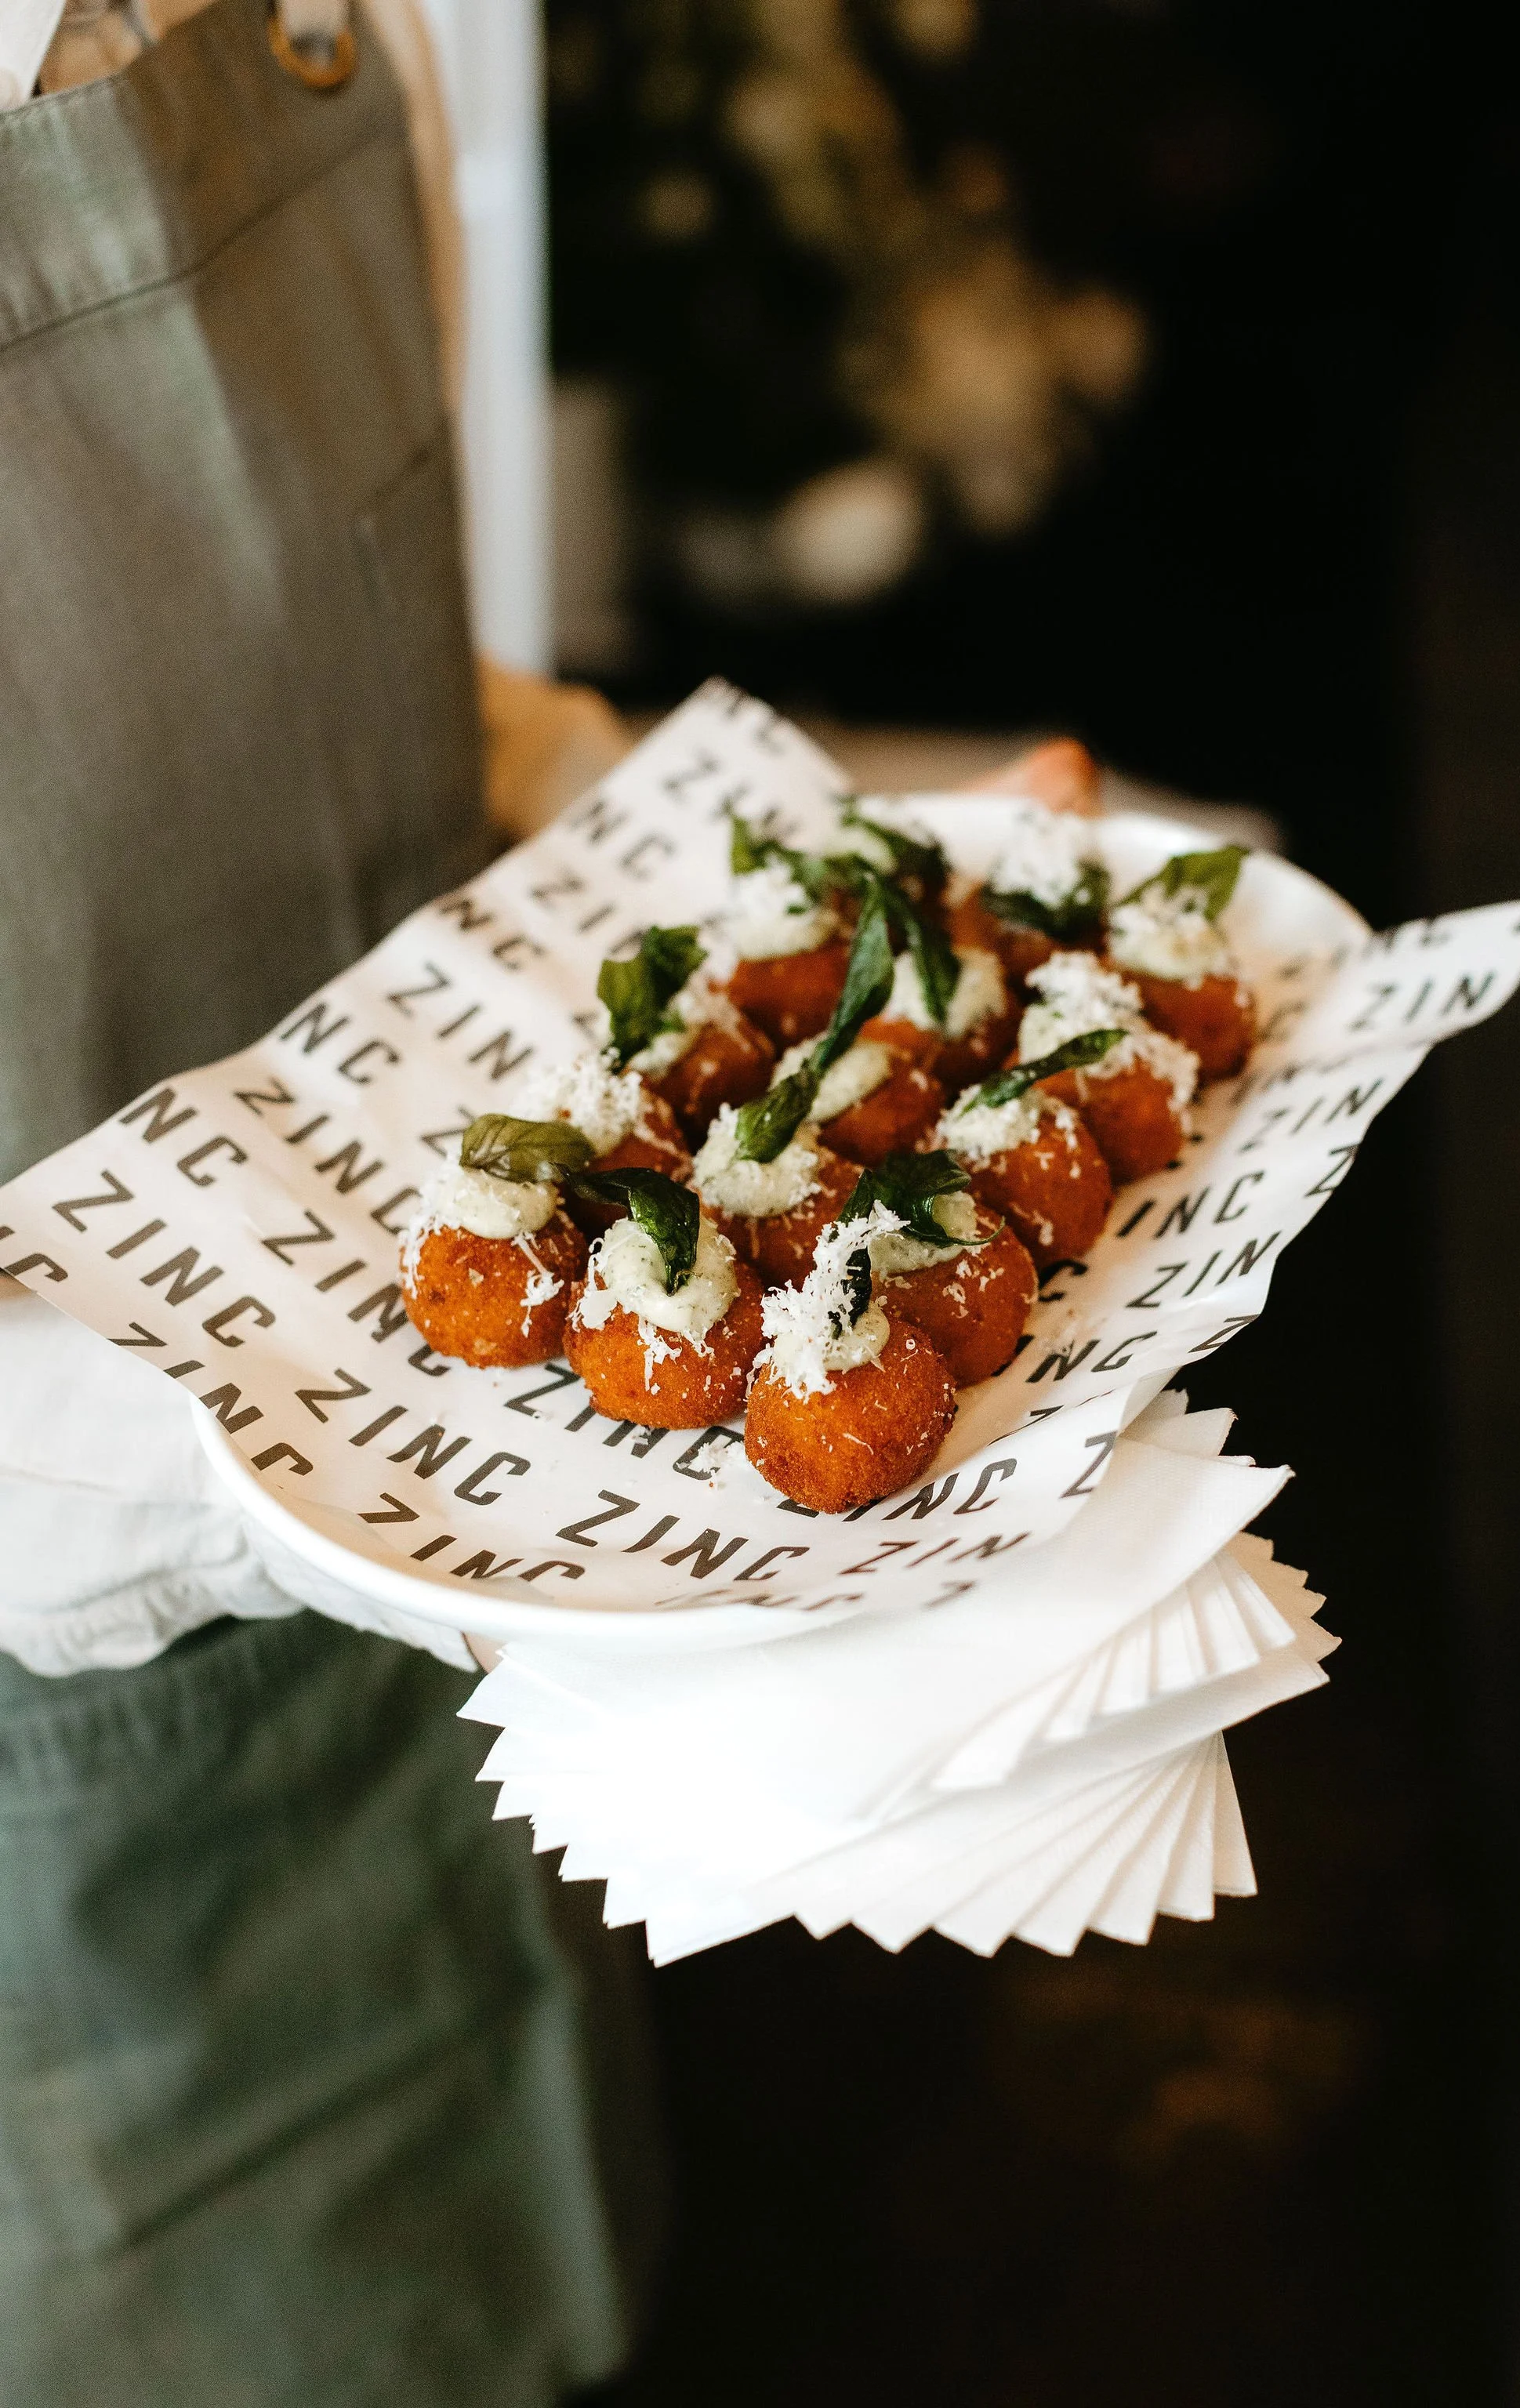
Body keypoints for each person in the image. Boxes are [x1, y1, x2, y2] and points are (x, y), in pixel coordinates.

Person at [0, 0, 1101, 2387]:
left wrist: (825, 867)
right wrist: (328, 1466)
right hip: (75, 1848)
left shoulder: (303, 33)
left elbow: (403, 696)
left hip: (514, 1739)